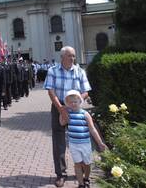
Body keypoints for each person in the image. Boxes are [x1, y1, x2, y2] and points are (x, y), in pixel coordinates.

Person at [43, 46, 92, 187]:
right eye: (70, 56)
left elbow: (86, 91)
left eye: (74, 56)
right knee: (59, 142)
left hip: (76, 110)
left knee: (80, 139)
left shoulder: (80, 71)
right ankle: (61, 174)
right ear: (62, 57)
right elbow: (51, 91)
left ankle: (82, 171)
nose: (72, 58)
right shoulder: (53, 71)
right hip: (58, 107)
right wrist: (61, 108)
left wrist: (72, 105)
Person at [60, 90, 107, 188]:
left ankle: (86, 178)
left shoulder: (85, 114)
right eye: (70, 102)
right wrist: (62, 112)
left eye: (75, 101)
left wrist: (100, 143)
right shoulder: (68, 114)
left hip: (85, 144)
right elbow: (62, 123)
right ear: (67, 103)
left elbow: (93, 129)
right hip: (73, 144)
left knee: (87, 164)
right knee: (77, 163)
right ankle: (81, 184)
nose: (73, 104)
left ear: (80, 101)